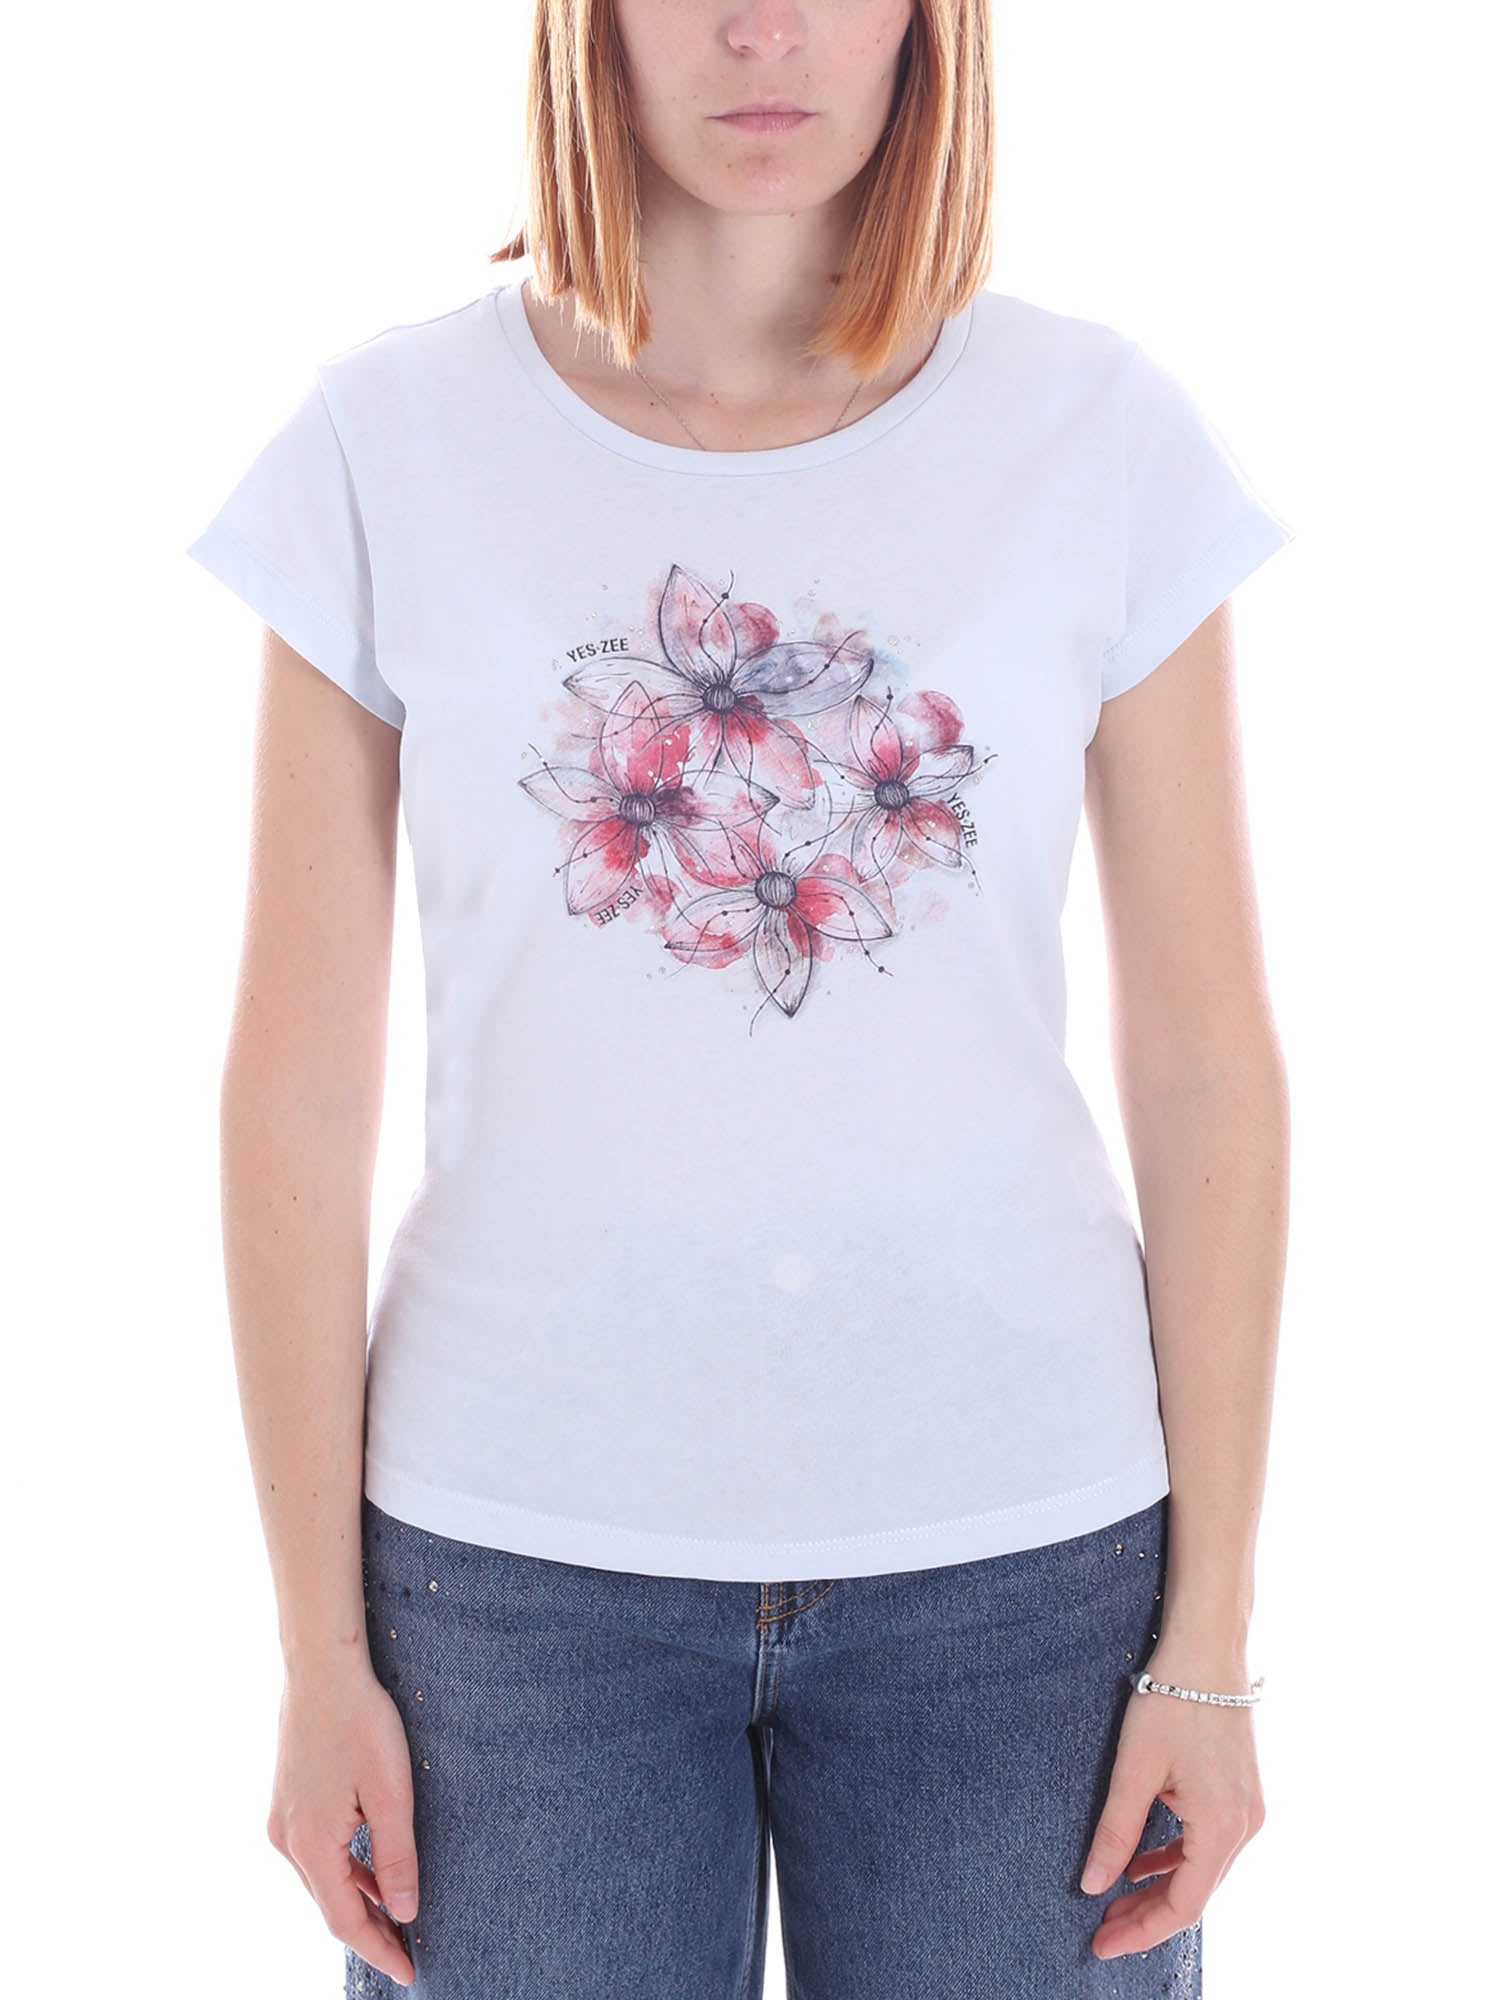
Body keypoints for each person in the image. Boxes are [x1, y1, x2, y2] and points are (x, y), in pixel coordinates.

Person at [186, 2, 1292, 1994]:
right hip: (511, 1579)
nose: (761, 28)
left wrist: (1207, 1646)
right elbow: (295, 1090)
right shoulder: (387, 440)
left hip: (1024, 1571)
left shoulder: (1099, 433)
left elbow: (1208, 1065)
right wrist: (317, 1647)